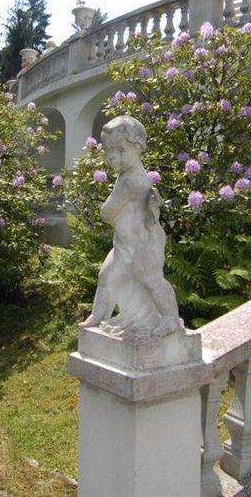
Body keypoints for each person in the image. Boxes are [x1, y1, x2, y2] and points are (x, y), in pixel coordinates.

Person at [79, 116, 181, 340]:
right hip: (124, 246)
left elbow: (107, 213)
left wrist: (105, 211)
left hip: (141, 246)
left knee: (153, 282)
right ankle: (99, 314)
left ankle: (170, 317)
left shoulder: (130, 181)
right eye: (108, 151)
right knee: (107, 277)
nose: (111, 157)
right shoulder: (127, 175)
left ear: (138, 148)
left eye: (119, 150)